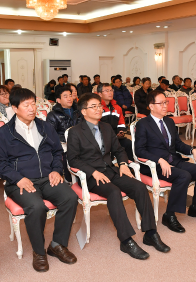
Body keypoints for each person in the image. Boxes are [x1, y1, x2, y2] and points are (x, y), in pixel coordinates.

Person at [67, 93, 170, 260]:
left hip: (111, 171)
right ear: (83, 111)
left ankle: (150, 233)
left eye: (99, 105)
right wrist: (93, 172)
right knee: (114, 192)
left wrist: (122, 164)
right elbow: (73, 159)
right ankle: (126, 240)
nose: (99, 108)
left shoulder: (107, 127)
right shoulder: (75, 132)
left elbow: (119, 150)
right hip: (92, 176)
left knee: (139, 187)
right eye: (94, 106)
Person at [0, 88, 78, 272]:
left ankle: (57, 245)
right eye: (26, 105)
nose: (32, 108)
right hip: (21, 181)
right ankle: (39, 252)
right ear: (14, 108)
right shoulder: (4, 133)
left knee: (70, 198)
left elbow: (57, 151)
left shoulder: (45, 126)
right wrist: (17, 178)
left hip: (48, 177)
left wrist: (56, 170)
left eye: (33, 103)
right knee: (37, 207)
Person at [135, 90, 196, 233]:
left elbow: (177, 144)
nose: (165, 106)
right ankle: (169, 215)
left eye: (166, 102)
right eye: (161, 103)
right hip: (156, 166)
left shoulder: (169, 121)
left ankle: (195, 207)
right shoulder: (143, 124)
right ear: (151, 106)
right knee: (184, 176)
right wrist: (158, 160)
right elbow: (139, 150)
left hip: (174, 160)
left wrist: (192, 150)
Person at [46, 86, 82, 182]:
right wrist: (68, 139)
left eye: (70, 95)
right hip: (63, 143)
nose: (69, 98)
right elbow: (51, 134)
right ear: (58, 100)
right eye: (65, 96)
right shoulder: (52, 115)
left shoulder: (78, 112)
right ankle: (69, 177)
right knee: (69, 152)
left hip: (79, 141)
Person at [98, 83, 134, 161]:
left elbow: (121, 122)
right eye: (107, 91)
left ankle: (129, 167)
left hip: (115, 136)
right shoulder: (98, 108)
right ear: (100, 94)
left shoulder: (117, 107)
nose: (110, 93)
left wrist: (120, 131)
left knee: (128, 143)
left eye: (111, 90)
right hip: (102, 138)